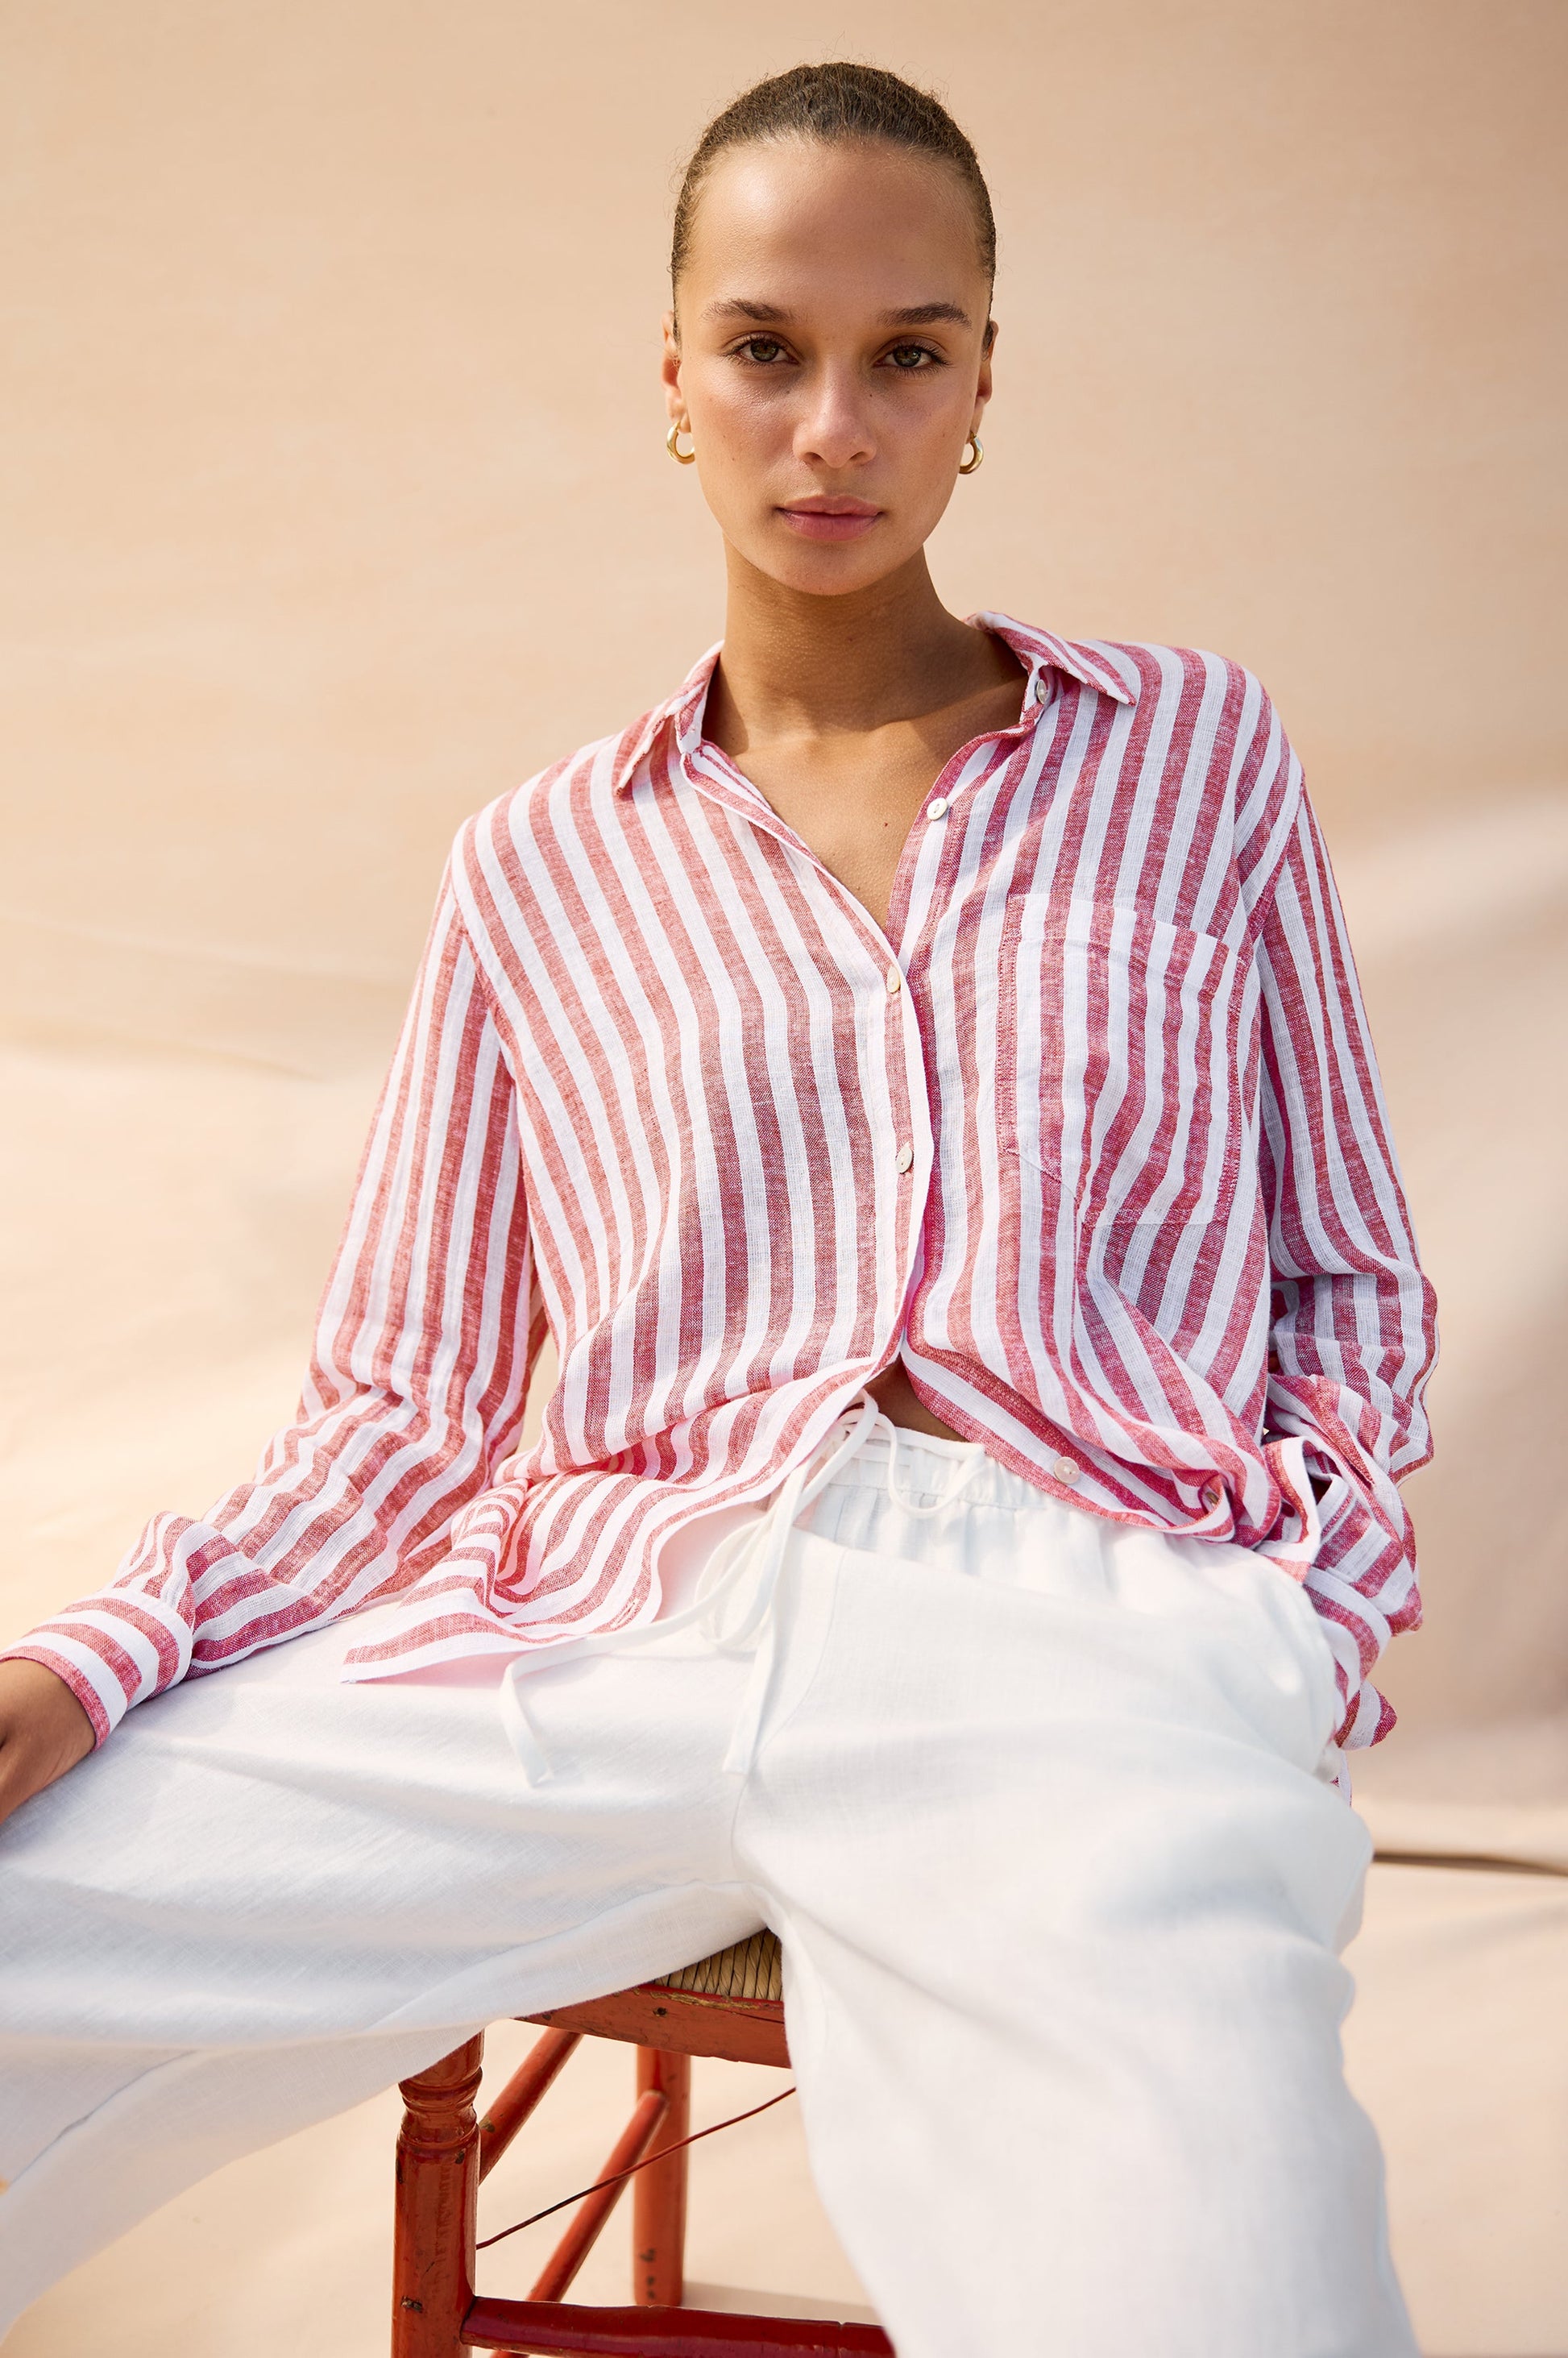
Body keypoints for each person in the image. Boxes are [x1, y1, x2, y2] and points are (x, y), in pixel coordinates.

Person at [0, 60, 1434, 2358]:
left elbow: (1344, 1262)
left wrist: (1301, 1614)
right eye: (766, 349)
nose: (832, 430)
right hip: (597, 1632)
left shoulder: (1193, 756)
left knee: (1219, 2287)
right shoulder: (539, 866)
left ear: (983, 385)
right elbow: (406, 1404)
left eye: (907, 355)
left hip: (1073, 1629)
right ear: (671, 380)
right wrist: (92, 1659)